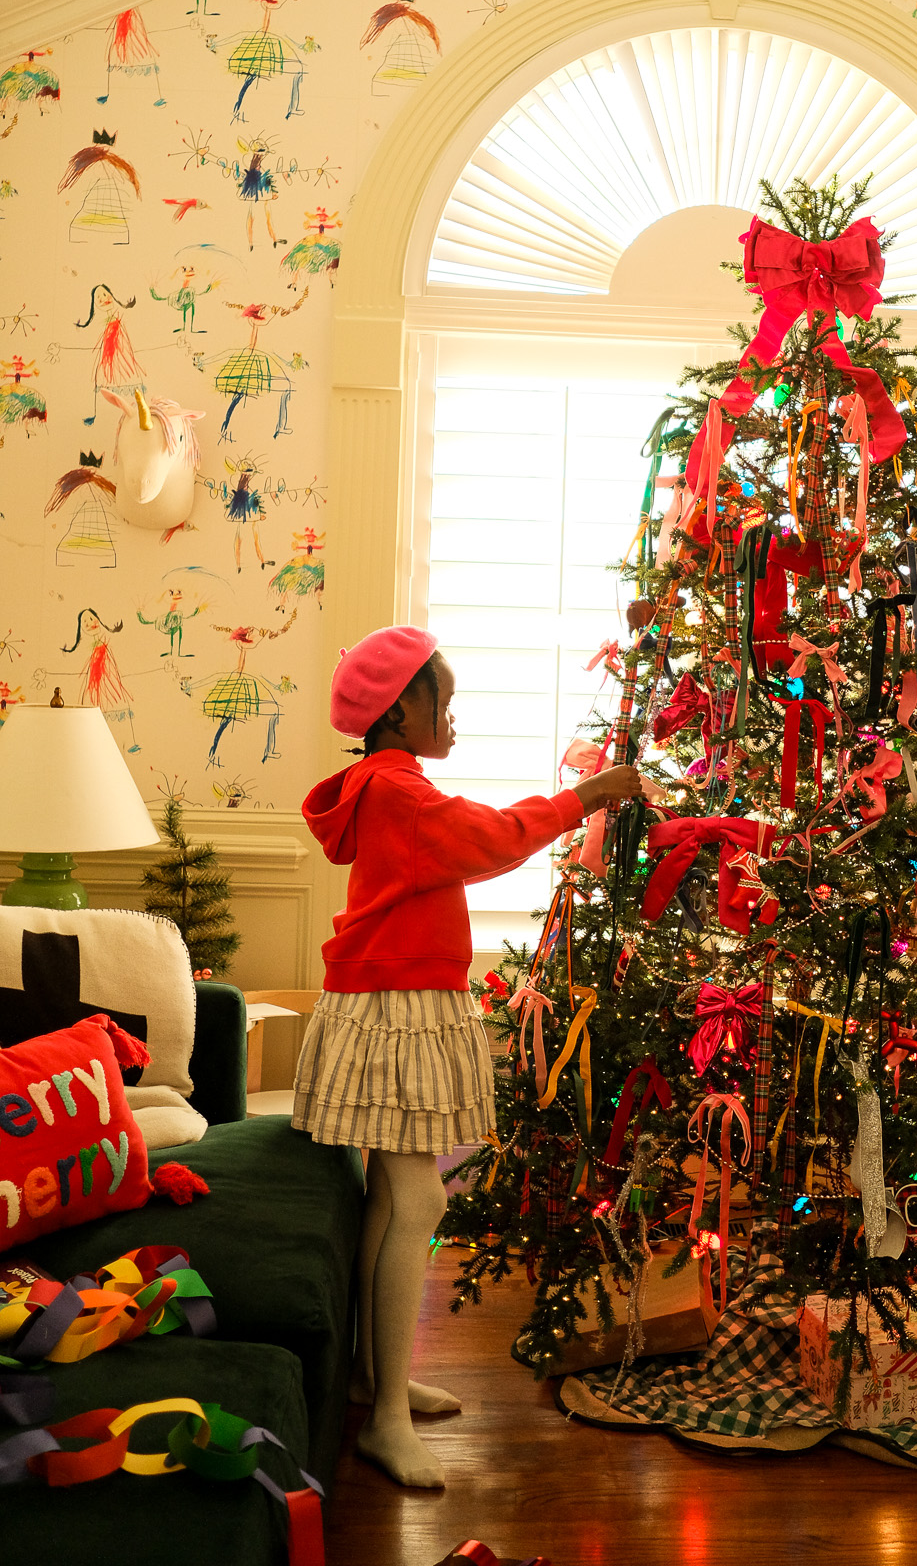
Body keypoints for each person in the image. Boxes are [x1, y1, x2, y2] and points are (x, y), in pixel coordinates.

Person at [292, 626, 641, 1488]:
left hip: (393, 998)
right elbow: (489, 838)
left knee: (390, 1196)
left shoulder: (386, 785)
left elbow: (469, 844)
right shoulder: (399, 791)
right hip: (394, 1006)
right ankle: (383, 1421)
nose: (454, 717)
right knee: (414, 1200)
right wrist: (586, 797)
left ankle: (377, 1385)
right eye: (444, 703)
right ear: (402, 709)